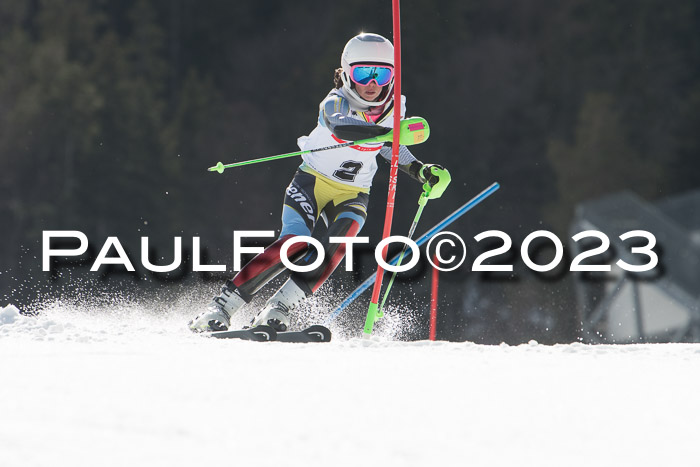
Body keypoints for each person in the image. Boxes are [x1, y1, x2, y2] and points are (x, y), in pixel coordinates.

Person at [189, 32, 451, 333]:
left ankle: (279, 307)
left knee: (337, 243)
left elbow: (389, 148)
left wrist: (421, 170)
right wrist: (389, 133)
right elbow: (342, 128)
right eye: (363, 73)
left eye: (382, 74)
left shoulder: (395, 109)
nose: (372, 83)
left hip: (354, 192)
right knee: (296, 244)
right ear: (348, 73)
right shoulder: (335, 101)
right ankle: (221, 306)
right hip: (312, 182)